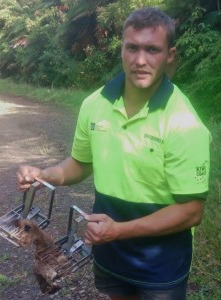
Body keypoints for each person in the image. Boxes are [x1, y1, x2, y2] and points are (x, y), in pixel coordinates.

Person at [17, 7, 211, 300]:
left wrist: (119, 230)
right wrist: (45, 175)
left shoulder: (184, 123)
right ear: (121, 49)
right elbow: (80, 164)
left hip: (161, 263)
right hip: (109, 250)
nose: (140, 60)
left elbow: (191, 211)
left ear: (169, 55)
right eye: (132, 48)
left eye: (152, 49)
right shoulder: (95, 104)